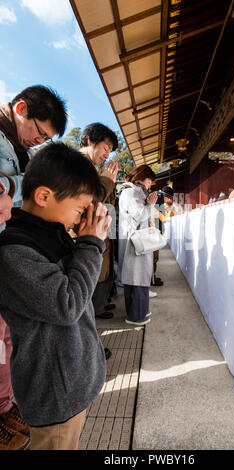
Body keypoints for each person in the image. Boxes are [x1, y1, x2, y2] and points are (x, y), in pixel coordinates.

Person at [0, 142, 111, 450]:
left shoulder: (51, 233)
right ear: (44, 196)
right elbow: (68, 305)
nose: (79, 220)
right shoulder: (14, 251)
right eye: (78, 210)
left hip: (70, 388)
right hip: (55, 397)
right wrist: (90, 244)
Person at [0, 85, 67, 450]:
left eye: (45, 139)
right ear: (21, 108)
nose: (37, 142)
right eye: (39, 132)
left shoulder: (16, 150)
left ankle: (5, 407)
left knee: (4, 338)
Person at [80, 123, 118, 321]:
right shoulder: (76, 165)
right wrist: (107, 181)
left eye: (110, 151)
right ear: (90, 141)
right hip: (79, 240)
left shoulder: (93, 169)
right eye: (106, 148)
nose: (107, 155)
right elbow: (90, 202)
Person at [118, 165, 157, 326]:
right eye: (149, 182)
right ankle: (136, 316)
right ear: (141, 177)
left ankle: (140, 311)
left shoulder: (134, 191)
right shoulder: (130, 192)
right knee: (136, 278)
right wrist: (151, 204)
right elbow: (140, 215)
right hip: (134, 242)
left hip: (137, 240)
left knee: (138, 277)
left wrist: (148, 203)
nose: (149, 186)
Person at [151, 185, 174, 289]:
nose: (168, 200)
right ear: (166, 196)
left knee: (153, 258)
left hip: (153, 232)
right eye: (168, 198)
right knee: (154, 258)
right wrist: (167, 210)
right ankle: (151, 279)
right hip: (154, 234)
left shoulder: (156, 197)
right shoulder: (159, 200)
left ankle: (152, 277)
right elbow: (163, 217)